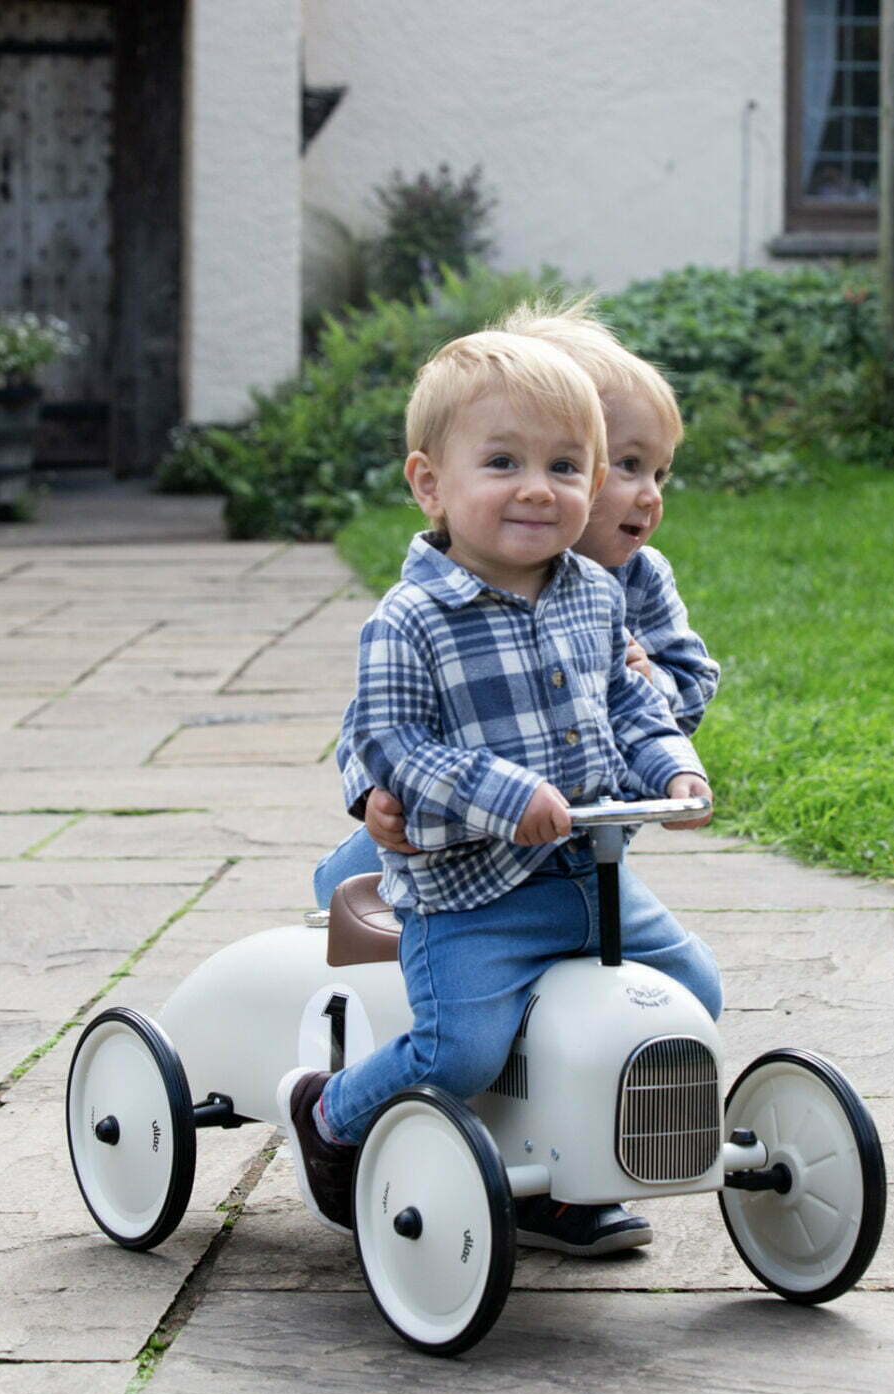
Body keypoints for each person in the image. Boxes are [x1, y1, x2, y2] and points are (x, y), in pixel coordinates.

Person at [280, 331, 722, 1257]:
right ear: (431, 484)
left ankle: (575, 1162)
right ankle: (333, 1111)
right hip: (473, 895)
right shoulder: (409, 620)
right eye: (504, 464)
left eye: (566, 467)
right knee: (461, 1051)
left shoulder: (594, 598)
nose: (537, 487)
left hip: (586, 877)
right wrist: (494, 791)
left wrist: (673, 767)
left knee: (692, 992)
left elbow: (634, 706)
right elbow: (388, 738)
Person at [314, 296, 718, 918]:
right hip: (460, 833)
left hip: (568, 830)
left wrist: (645, 684)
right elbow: (377, 715)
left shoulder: (636, 581)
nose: (649, 495)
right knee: (350, 892)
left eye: (659, 472)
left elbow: (690, 682)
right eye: (630, 467)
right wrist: (371, 791)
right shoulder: (445, 593)